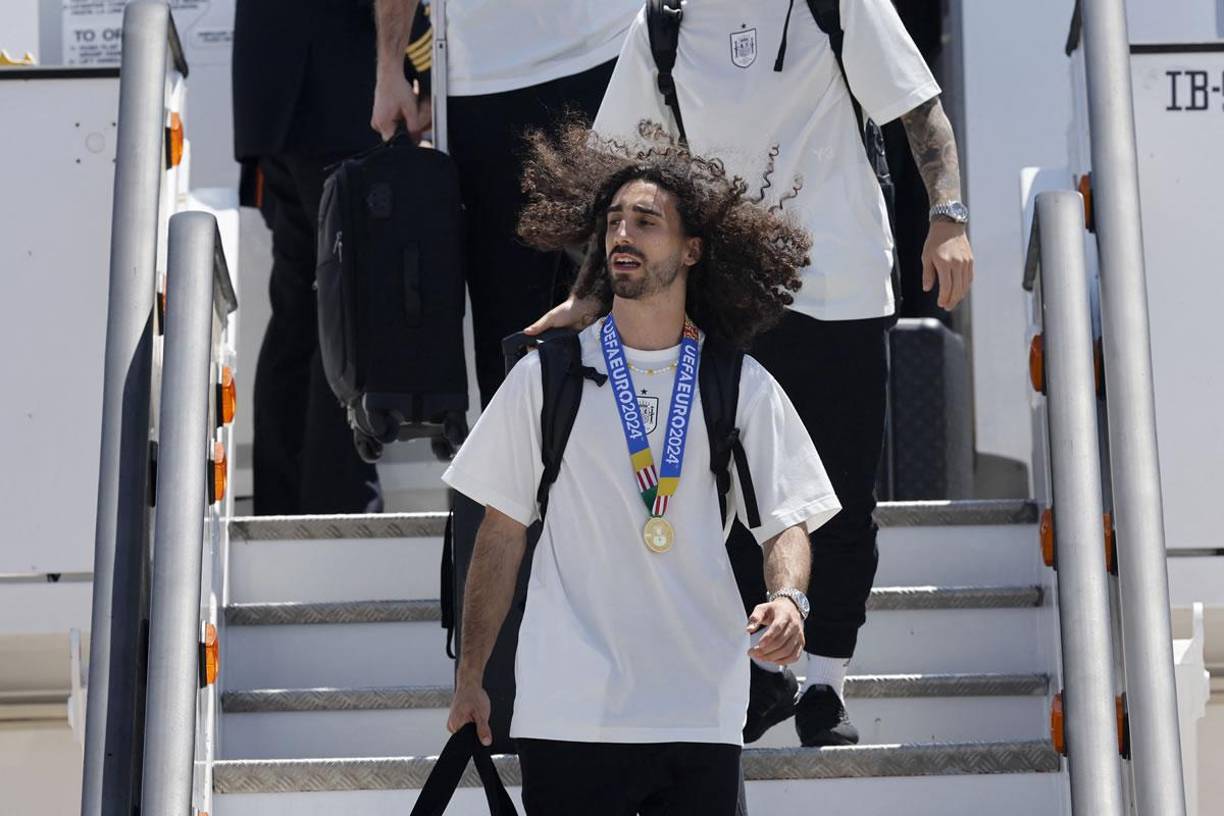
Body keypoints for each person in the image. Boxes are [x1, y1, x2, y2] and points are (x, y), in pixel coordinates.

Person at [527, 0, 975, 747]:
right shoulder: (665, 22)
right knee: (721, 492)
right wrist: (587, 294)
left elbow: (919, 107)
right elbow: (620, 168)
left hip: (844, 286)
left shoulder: (840, 5)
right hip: (729, 297)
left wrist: (948, 215)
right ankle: (761, 670)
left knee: (839, 496)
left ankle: (825, 688)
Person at [441, 124, 840, 816]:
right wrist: (470, 677)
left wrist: (789, 600)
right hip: (566, 713)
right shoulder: (548, 377)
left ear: (691, 250)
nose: (623, 234)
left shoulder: (736, 383)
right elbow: (500, 536)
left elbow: (787, 522)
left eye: (646, 221)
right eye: (614, 221)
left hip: (698, 710)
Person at [371, 0, 643, 407]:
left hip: (613, 47)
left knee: (638, 295)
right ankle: (520, 466)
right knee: (511, 326)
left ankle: (647, 464)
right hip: (485, 78)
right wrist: (390, 68)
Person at [232, 0, 430, 514]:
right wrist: (426, 66)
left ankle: (285, 506)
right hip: (337, 92)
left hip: (278, 101)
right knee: (348, 309)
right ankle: (337, 507)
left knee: (300, 313)